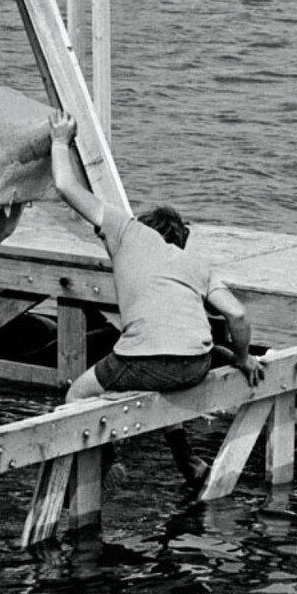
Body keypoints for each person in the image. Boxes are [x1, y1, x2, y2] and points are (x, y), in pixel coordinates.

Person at [48, 110, 264, 488]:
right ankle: (187, 463)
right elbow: (238, 315)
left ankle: (105, 462)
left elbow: (65, 186)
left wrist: (60, 140)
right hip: (192, 365)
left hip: (146, 360)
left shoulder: (126, 230)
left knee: (76, 393)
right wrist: (243, 358)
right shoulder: (195, 261)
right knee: (170, 375)